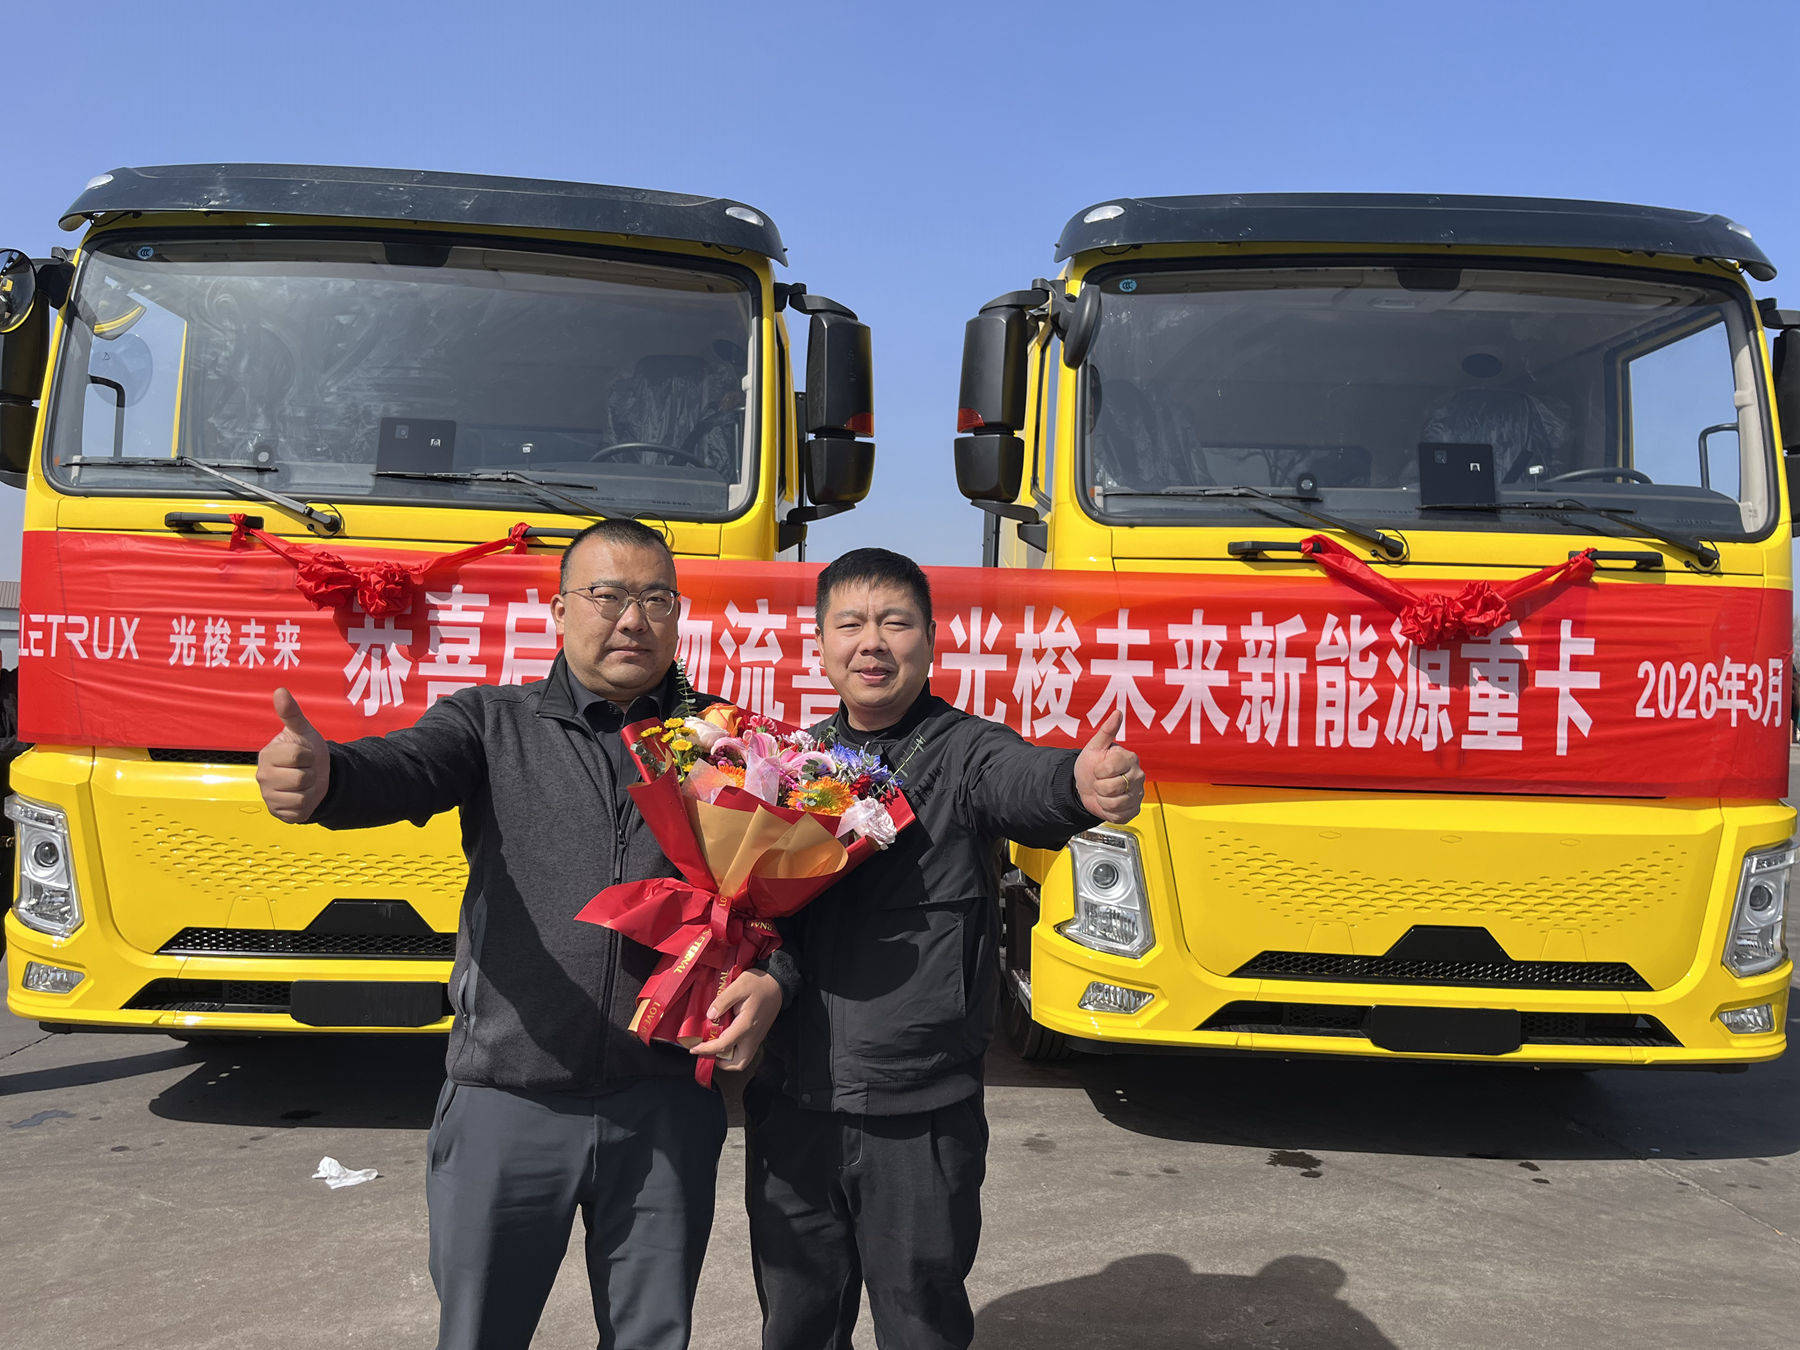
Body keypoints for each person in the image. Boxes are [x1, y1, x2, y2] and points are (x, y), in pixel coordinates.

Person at [254, 517, 782, 1350]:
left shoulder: (729, 744)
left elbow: (779, 893)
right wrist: (331, 781)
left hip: (664, 1105)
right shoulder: (490, 724)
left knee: (652, 1336)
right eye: (606, 596)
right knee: (480, 1333)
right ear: (559, 609)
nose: (632, 620)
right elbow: (404, 768)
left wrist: (778, 975)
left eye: (655, 599)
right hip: (508, 1101)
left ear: (678, 615)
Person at [746, 547, 1145, 1350]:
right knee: (795, 1320)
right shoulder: (790, 763)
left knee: (921, 1321)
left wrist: (1076, 785)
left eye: (895, 622)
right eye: (850, 624)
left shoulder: (965, 751)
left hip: (917, 1106)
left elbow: (1023, 781)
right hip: (793, 1098)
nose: (872, 642)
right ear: (819, 645)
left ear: (930, 640)